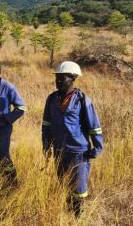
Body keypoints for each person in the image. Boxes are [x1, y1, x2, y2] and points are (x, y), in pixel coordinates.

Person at [42, 61, 103, 217]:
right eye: (57, 78)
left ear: (73, 78)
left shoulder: (82, 100)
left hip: (78, 152)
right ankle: (67, 211)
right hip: (59, 149)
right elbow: (46, 124)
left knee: (79, 186)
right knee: (63, 181)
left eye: (62, 78)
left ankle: (78, 216)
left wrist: (97, 148)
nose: (58, 81)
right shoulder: (51, 99)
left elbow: (94, 126)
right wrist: (46, 145)